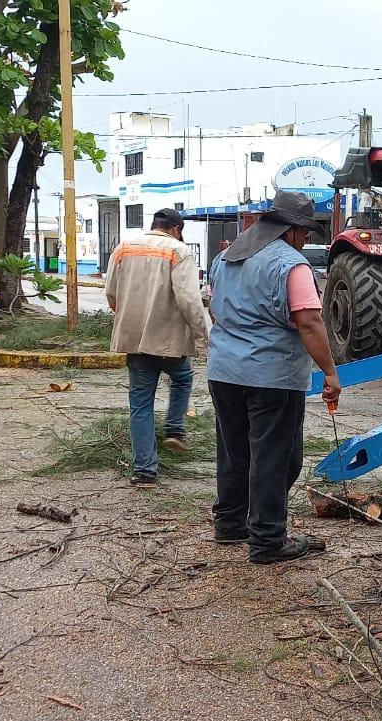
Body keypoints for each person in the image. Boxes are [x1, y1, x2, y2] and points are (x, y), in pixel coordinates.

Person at [206, 191, 341, 565]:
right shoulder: (292, 266)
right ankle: (268, 539)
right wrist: (330, 371)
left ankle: (231, 523)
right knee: (276, 457)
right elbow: (310, 322)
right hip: (272, 377)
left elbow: (216, 311)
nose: (307, 240)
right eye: (305, 233)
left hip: (224, 373)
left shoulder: (224, 258)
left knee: (235, 450)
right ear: (292, 230)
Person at [103, 208, 210, 488]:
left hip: (134, 341)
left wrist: (123, 313)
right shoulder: (179, 251)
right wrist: (203, 339)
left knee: (140, 404)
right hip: (168, 341)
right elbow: (189, 300)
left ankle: (145, 472)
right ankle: (175, 428)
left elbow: (111, 292)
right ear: (176, 229)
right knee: (183, 377)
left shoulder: (124, 248)